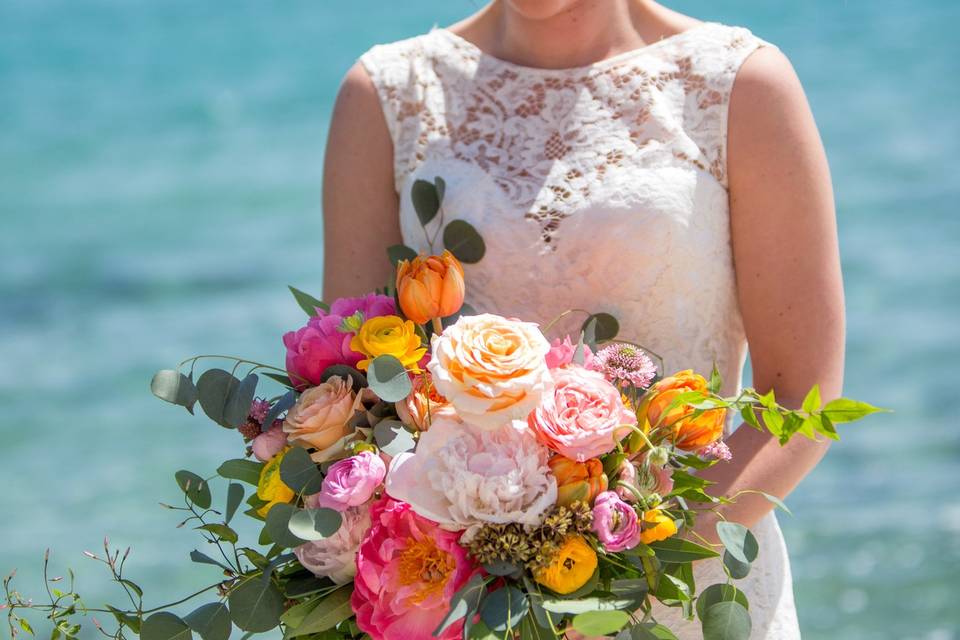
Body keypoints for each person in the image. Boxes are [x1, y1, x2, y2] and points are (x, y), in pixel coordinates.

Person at [322, 1, 844, 637]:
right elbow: (355, 392)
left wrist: (623, 574)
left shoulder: (741, 84)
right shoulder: (386, 94)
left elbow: (799, 401)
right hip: (465, 612)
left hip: (682, 590)